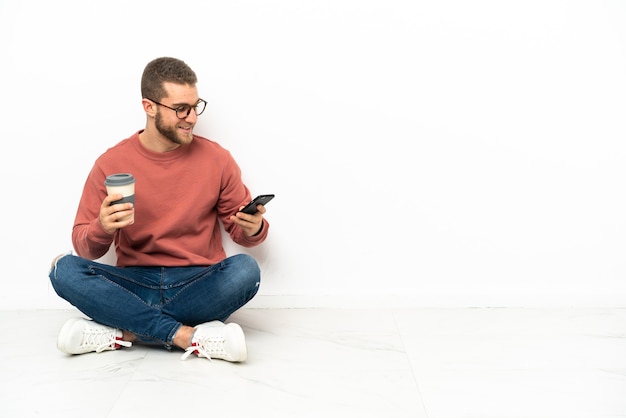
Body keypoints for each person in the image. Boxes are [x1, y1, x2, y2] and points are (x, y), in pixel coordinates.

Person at [49, 57, 270, 362]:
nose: (191, 117)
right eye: (181, 108)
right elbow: (84, 247)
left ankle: (125, 332)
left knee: (246, 270)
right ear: (149, 107)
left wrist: (253, 227)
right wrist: (103, 226)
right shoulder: (111, 164)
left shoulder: (217, 159)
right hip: (135, 283)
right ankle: (186, 336)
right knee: (63, 268)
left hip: (197, 282)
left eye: (195, 106)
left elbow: (243, 233)